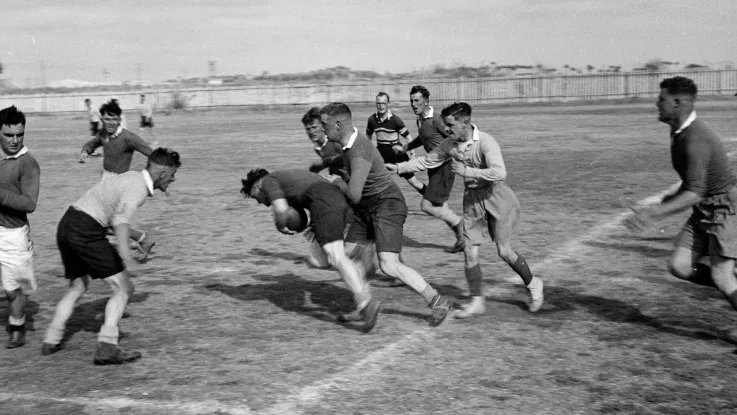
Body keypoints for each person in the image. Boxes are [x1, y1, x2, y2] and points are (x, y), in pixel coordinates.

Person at [388, 102, 544, 317]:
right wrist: (399, 167)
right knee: (470, 252)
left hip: (498, 197)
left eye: (450, 125)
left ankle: (534, 285)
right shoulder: (449, 144)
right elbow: (427, 161)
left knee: (504, 251)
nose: (447, 129)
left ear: (465, 122)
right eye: (446, 125)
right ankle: (477, 301)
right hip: (472, 200)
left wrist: (467, 171)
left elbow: (500, 173)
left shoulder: (486, 142)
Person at [320, 102, 454, 327]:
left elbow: (353, 193)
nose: (323, 129)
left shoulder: (358, 149)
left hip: (386, 204)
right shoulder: (348, 145)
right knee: (345, 257)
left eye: (324, 125)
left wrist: (336, 182)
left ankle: (437, 300)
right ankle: (364, 306)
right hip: (366, 208)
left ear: (338, 124)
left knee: (388, 265)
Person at [41, 148, 181, 364]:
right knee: (125, 287)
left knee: (78, 287)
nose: (172, 180)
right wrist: (126, 257)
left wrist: (139, 237)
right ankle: (107, 346)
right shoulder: (139, 188)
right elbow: (120, 221)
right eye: (172, 175)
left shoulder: (130, 178)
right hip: (85, 230)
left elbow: (108, 217)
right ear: (162, 172)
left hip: (67, 224)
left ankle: (51, 338)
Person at [626, 76, 737, 342]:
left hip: (725, 209)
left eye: (661, 99)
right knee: (680, 266)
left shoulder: (695, 138)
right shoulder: (680, 131)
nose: (657, 103)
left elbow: (695, 192)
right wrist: (662, 204)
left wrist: (654, 213)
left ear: (677, 102)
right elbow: (692, 185)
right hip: (704, 209)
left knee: (722, 277)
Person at [240, 168, 382, 332]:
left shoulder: (268, 181)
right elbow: (302, 210)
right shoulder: (289, 177)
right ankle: (363, 304)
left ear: (257, 186)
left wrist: (280, 226)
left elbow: (281, 209)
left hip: (323, 202)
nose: (258, 202)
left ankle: (365, 304)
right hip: (338, 202)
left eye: (254, 196)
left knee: (337, 257)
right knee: (323, 260)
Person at [78, 100, 156, 260]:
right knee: (105, 220)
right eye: (107, 119)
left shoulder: (128, 138)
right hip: (105, 180)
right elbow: (91, 143)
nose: (111, 123)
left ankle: (143, 239)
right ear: (102, 120)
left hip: (119, 183)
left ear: (120, 119)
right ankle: (134, 241)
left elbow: (151, 153)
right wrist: (85, 151)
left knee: (108, 221)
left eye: (114, 119)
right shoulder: (103, 134)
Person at [402, 85, 464, 253]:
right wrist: (406, 147)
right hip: (433, 167)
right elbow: (423, 138)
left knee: (427, 206)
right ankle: (462, 240)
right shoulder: (420, 120)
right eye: (411, 101)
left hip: (444, 167)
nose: (413, 104)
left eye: (417, 101)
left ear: (426, 101)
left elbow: (455, 136)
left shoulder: (437, 120)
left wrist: (460, 156)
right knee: (440, 205)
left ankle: (460, 225)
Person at [0, 106, 40, 348]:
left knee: (13, 290)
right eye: (8, 135)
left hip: (12, 235)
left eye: (19, 134)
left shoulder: (28, 164)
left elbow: (29, 203)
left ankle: (17, 325)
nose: (15, 140)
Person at [366, 92, 425, 194]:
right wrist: (368, 152)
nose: (381, 106)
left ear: (388, 103)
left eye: (383, 103)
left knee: (414, 182)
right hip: (381, 153)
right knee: (371, 179)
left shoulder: (395, 120)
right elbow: (368, 136)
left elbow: (408, 138)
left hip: (397, 154)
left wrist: (413, 154)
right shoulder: (372, 120)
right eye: (378, 103)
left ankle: (432, 200)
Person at [304, 107, 346, 179]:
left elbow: (351, 159)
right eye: (308, 129)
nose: (311, 132)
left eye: (314, 127)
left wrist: (324, 163)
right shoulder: (317, 147)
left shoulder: (335, 143)